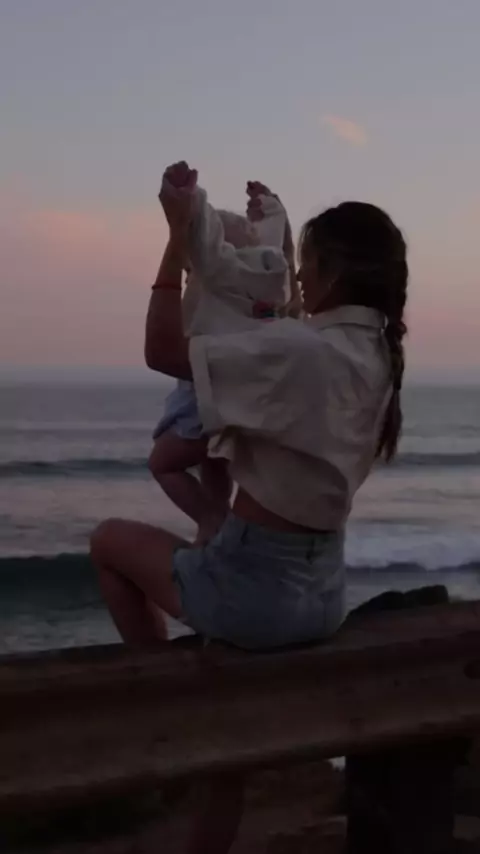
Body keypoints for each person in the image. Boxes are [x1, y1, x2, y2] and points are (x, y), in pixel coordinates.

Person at [90, 160, 408, 853]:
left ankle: (161, 698)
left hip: (253, 597)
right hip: (321, 596)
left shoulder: (302, 353)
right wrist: (276, 239)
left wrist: (178, 238)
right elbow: (283, 327)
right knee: (223, 759)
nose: (298, 278)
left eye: (305, 264)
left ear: (332, 273)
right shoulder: (375, 355)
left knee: (108, 541)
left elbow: (161, 349)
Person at [148, 173, 299, 543]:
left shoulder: (215, 278)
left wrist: (188, 205)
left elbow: (160, 351)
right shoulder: (268, 288)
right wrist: (272, 215)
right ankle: (213, 524)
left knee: (163, 463)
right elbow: (275, 250)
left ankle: (214, 520)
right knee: (214, 462)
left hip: (205, 388)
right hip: (240, 395)